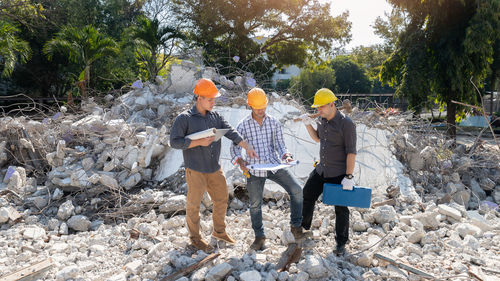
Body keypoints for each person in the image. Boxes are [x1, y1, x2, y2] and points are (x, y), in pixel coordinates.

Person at [170, 78, 257, 252]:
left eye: (214, 99)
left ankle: (219, 232)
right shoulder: (184, 119)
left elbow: (231, 132)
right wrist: (198, 142)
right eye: (210, 99)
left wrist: (246, 146)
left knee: (222, 199)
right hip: (195, 169)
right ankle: (195, 238)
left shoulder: (215, 117)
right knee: (194, 205)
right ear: (199, 98)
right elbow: (174, 142)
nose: (213, 102)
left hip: (214, 168)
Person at [230, 87, 305, 250]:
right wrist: (240, 161)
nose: (261, 111)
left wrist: (286, 156)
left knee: (297, 190)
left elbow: (280, 145)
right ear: (250, 106)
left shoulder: (273, 122)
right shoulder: (243, 125)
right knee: (255, 204)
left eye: (263, 107)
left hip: (274, 165)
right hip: (254, 170)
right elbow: (235, 147)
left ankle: (296, 228)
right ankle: (259, 236)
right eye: (257, 108)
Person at [299, 88, 357, 255]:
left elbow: (351, 152)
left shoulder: (347, 124)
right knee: (307, 195)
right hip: (322, 169)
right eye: (317, 108)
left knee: (340, 207)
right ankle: (303, 230)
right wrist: (307, 124)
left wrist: (349, 176)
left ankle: (341, 243)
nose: (319, 110)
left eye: (321, 107)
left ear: (332, 104)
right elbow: (318, 138)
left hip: (339, 173)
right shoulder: (323, 120)